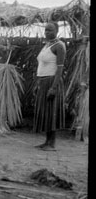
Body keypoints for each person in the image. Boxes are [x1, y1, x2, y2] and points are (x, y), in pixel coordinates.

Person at [33, 22, 66, 151]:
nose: (47, 32)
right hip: (43, 81)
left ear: (57, 31)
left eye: (50, 30)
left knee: (52, 112)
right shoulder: (46, 45)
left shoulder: (59, 46)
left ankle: (52, 144)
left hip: (52, 81)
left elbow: (60, 69)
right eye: (46, 30)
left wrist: (53, 87)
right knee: (46, 112)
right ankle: (47, 141)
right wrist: (38, 83)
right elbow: (41, 66)